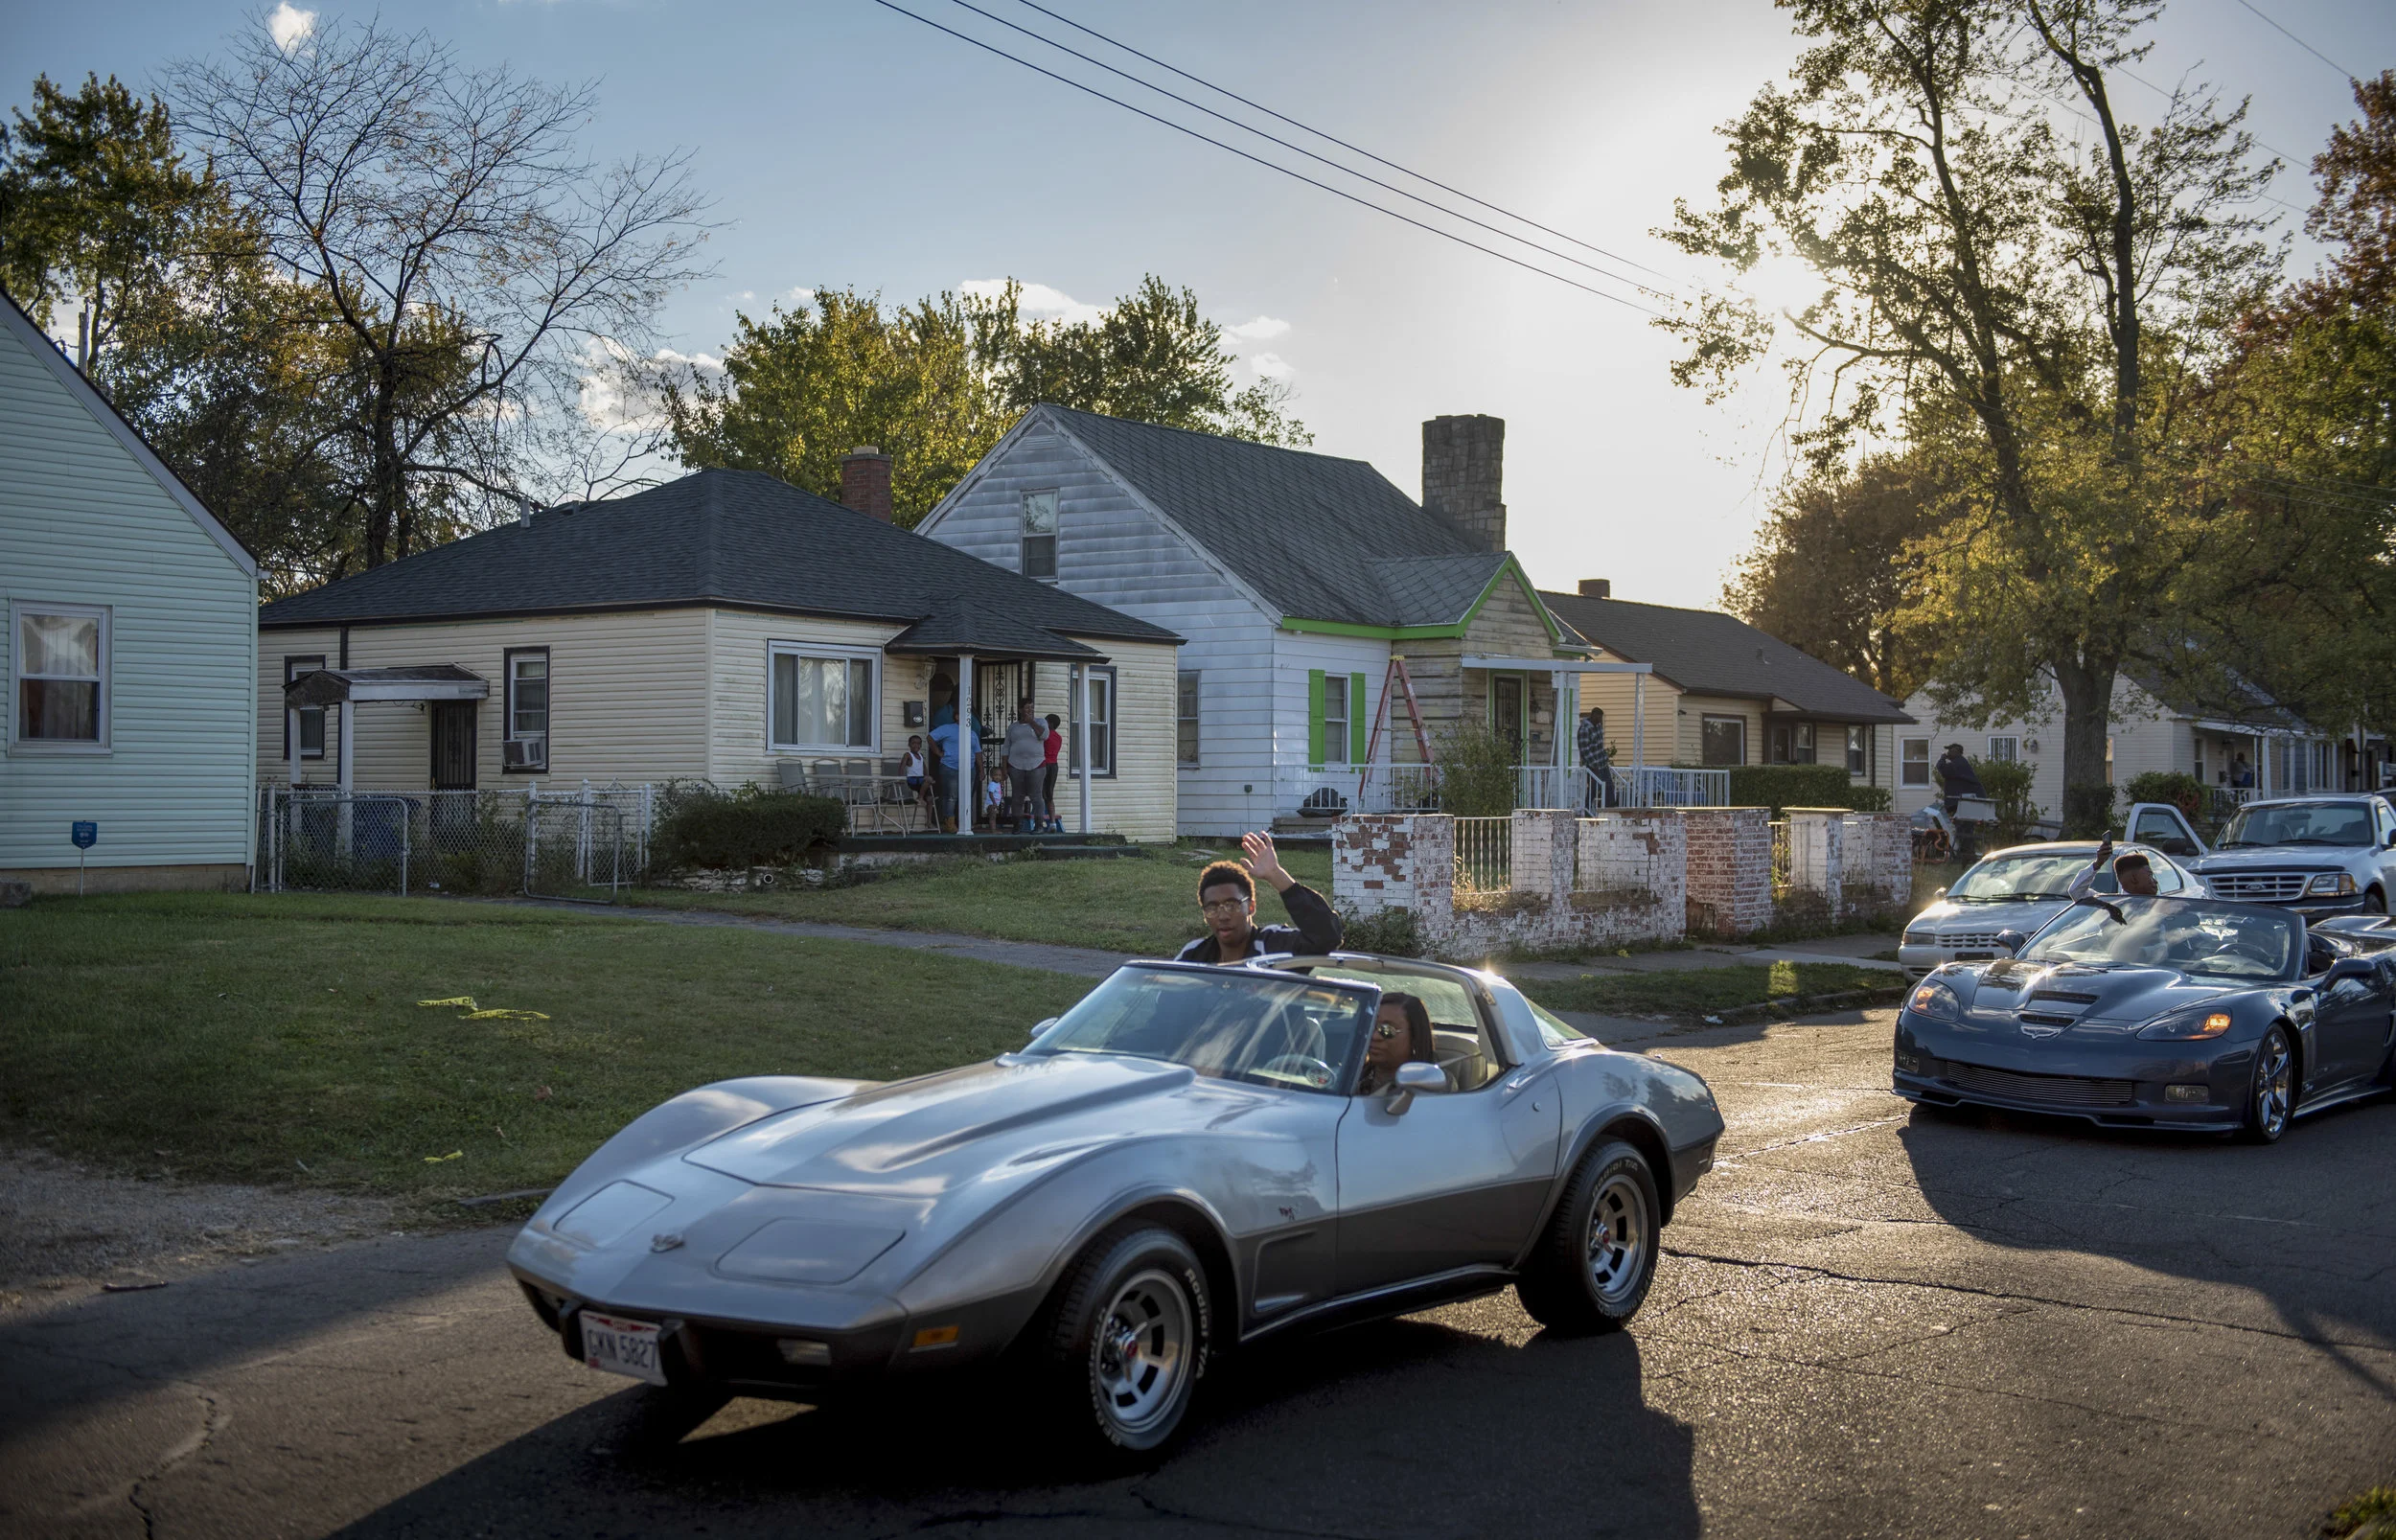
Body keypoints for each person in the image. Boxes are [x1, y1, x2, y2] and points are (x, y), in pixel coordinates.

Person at [1176, 832, 1345, 962]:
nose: (1223, 916)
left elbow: (1327, 936)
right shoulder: (1194, 955)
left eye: (1232, 905)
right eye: (1212, 908)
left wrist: (1275, 874)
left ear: (1251, 907)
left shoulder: (1275, 947)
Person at [1355, 992, 1438, 1095]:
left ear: (1415, 1037)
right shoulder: (1352, 1076)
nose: (1375, 1036)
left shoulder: (1434, 1083)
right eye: (1371, 1026)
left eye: (1387, 1030)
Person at [1003, 699, 1048, 831]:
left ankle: (1039, 825)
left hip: (1037, 764)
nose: (1030, 710)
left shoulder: (1040, 722)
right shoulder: (1013, 727)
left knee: (1036, 796)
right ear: (1020, 710)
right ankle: (1017, 825)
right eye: (1027, 708)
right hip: (1015, 765)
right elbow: (1006, 747)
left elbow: (1044, 735)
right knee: (1017, 796)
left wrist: (1032, 722)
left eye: (1032, 707)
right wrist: (1004, 767)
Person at [1578, 706, 1614, 811]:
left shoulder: (1598, 727)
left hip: (1602, 764)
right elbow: (1585, 750)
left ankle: (1610, 809)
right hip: (1592, 766)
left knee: (1609, 787)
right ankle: (1587, 809)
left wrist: (1605, 758)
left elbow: (1600, 746)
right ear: (1593, 715)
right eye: (1599, 717)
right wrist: (1594, 766)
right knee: (1594, 788)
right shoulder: (1584, 730)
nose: (1600, 720)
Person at [1041, 712, 1066, 833]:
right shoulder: (1059, 737)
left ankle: (1039, 822)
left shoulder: (1045, 735)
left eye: (1045, 721)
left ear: (1050, 723)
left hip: (1044, 764)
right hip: (1054, 766)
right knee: (1049, 795)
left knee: (1039, 793)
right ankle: (1052, 823)